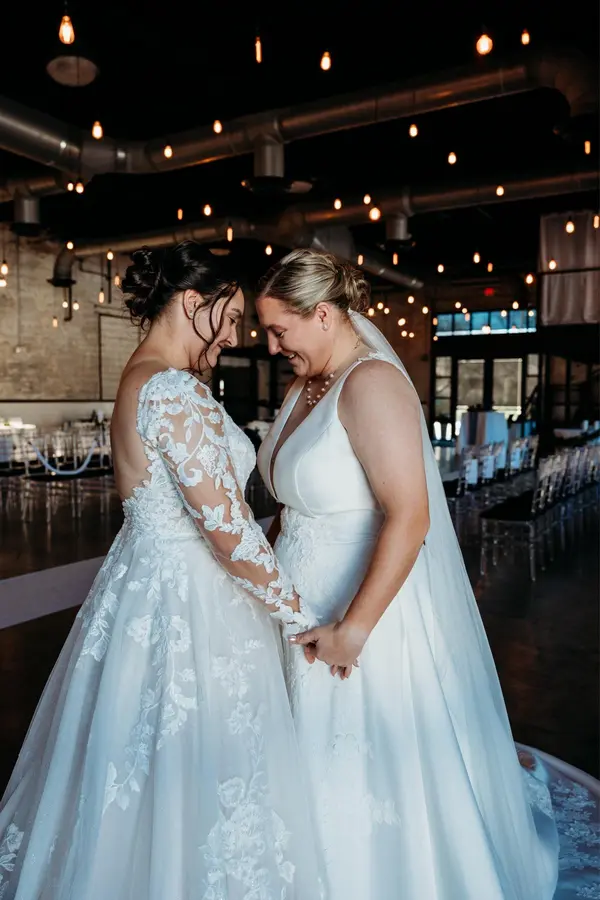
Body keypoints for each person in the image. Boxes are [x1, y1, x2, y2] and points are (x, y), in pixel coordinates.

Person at [256, 248, 599, 900]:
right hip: (294, 607)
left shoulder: (371, 383)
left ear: (322, 315)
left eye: (279, 330)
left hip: (359, 613)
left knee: (356, 770)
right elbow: (288, 506)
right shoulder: (305, 384)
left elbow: (410, 515)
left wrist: (353, 630)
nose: (272, 347)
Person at [0, 241, 325, 900]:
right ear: (193, 302)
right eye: (229, 318)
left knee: (138, 766)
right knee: (196, 764)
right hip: (193, 603)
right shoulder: (173, 389)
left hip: (143, 588)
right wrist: (302, 615)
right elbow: (227, 533)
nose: (233, 336)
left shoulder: (139, 377)